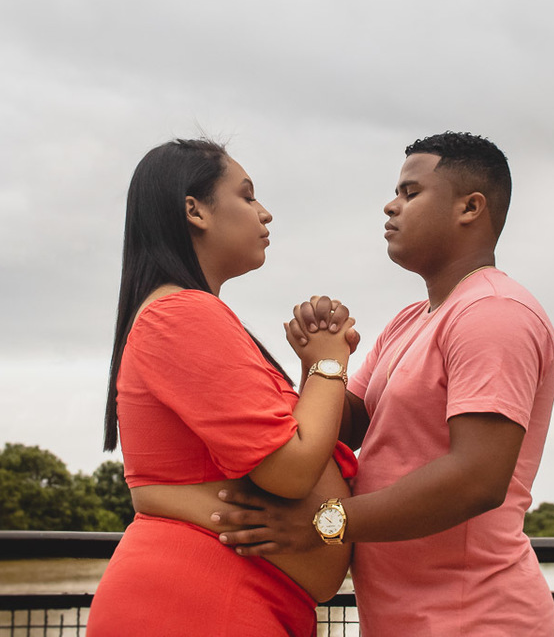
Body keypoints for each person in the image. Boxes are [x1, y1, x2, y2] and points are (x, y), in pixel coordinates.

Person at [214, 131, 554, 636]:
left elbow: (476, 479)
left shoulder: (494, 313)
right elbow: (347, 426)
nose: (390, 206)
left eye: (410, 193)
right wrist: (322, 361)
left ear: (470, 207)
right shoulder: (411, 320)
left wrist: (322, 524)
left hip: (476, 620)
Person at [85, 138, 359, 637]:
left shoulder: (182, 313)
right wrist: (328, 364)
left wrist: (308, 374)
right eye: (248, 196)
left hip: (221, 598)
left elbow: (275, 447)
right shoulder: (181, 313)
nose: (265, 213)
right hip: (199, 601)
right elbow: (292, 469)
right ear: (195, 210)